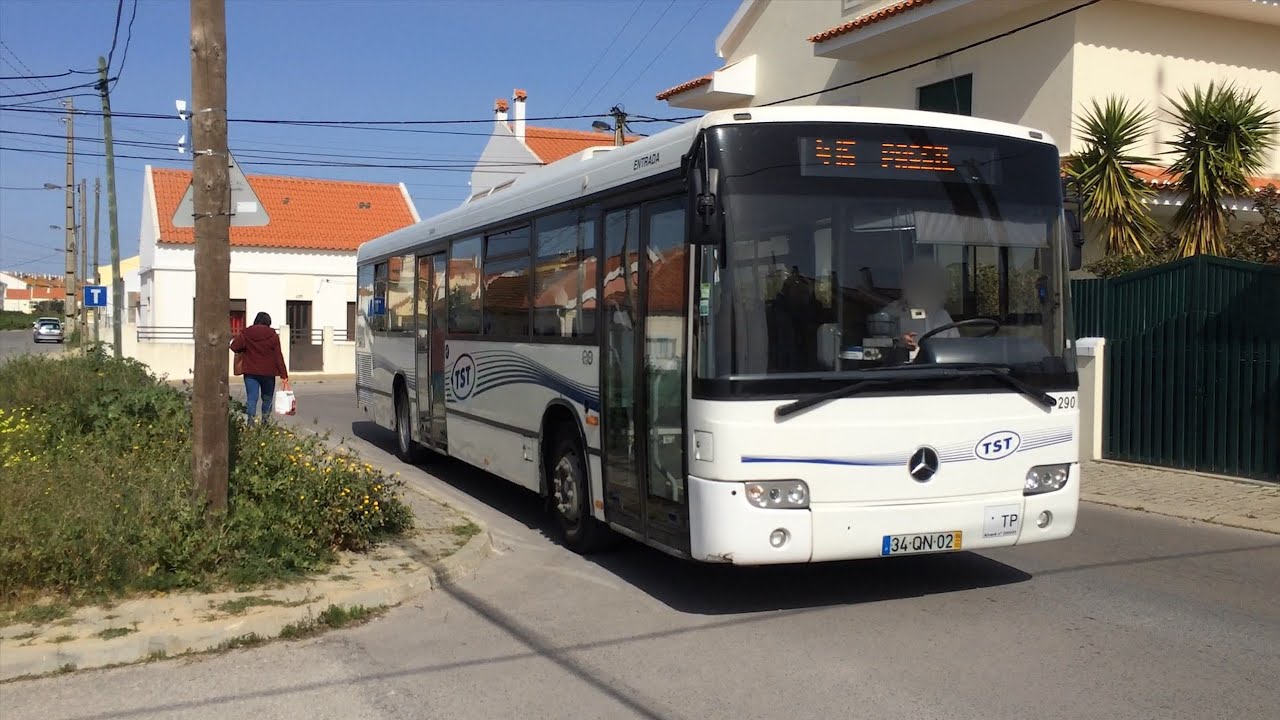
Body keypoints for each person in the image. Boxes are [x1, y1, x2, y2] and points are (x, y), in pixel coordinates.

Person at [879, 259, 959, 350]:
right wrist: (898, 343)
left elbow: (956, 348)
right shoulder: (889, 314)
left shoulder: (942, 316)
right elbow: (877, 346)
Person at [230, 312, 289, 423]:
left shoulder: (246, 333)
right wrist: (284, 375)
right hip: (268, 373)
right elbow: (278, 356)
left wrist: (245, 348)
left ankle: (250, 424)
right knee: (267, 399)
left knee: (252, 399)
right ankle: (265, 424)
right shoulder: (273, 335)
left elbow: (234, 346)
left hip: (250, 372)